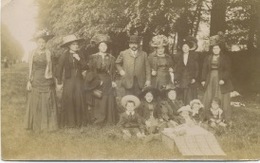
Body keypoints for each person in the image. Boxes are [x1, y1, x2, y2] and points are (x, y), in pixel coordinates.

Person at [25, 29, 58, 131]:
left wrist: (53, 79)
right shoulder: (32, 53)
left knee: (47, 100)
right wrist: (29, 81)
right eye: (39, 42)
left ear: (45, 43)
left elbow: (52, 67)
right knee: (36, 101)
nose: (41, 44)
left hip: (46, 78)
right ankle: (36, 124)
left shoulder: (49, 53)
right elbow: (30, 68)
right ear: (36, 43)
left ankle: (48, 125)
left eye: (43, 42)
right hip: (36, 78)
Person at [201, 35, 234, 126]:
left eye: (217, 48)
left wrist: (223, 79)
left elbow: (228, 70)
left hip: (221, 79)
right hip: (210, 78)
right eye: (214, 48)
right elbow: (204, 69)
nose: (215, 50)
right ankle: (207, 117)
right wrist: (203, 80)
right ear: (212, 49)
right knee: (208, 95)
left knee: (222, 96)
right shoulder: (208, 58)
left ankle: (224, 118)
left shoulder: (225, 58)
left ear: (220, 49)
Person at [56, 34, 87, 128]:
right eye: (73, 44)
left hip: (78, 80)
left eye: (77, 44)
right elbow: (59, 69)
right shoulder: (64, 55)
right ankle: (70, 123)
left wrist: (79, 59)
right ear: (69, 45)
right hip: (68, 80)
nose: (76, 46)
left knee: (79, 98)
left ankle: (79, 122)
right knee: (69, 99)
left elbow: (86, 67)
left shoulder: (80, 54)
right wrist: (59, 82)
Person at [88, 34, 118, 125]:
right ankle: (99, 120)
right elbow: (91, 71)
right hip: (98, 80)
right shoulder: (93, 57)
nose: (103, 47)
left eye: (105, 45)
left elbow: (113, 71)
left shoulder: (111, 58)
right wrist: (96, 81)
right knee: (99, 98)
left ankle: (109, 120)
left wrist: (113, 81)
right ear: (98, 47)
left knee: (108, 98)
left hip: (108, 80)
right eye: (101, 45)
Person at [175, 36, 199, 105]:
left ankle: (191, 107)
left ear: (189, 48)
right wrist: (176, 78)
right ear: (182, 48)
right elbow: (177, 69)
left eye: (186, 47)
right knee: (182, 93)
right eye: (183, 47)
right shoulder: (179, 57)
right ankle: (183, 108)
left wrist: (194, 78)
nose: (185, 48)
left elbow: (196, 69)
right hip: (182, 78)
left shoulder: (194, 57)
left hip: (190, 78)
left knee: (190, 94)